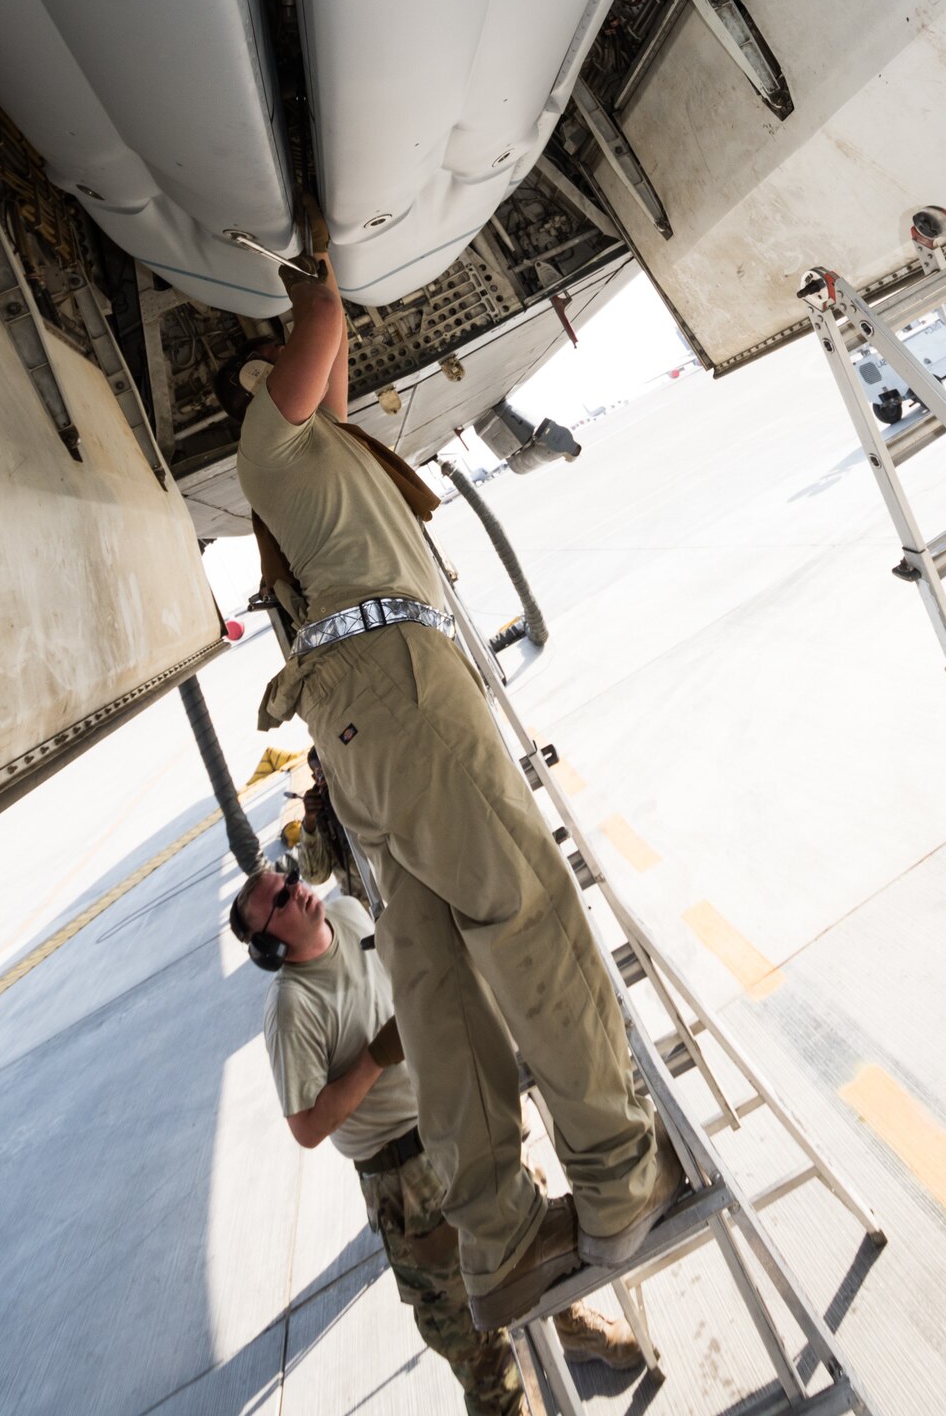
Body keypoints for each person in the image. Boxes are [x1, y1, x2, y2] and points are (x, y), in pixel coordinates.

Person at [215, 241, 684, 1330]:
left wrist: (317, 304)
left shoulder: (306, 453)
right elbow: (324, 321)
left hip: (364, 720)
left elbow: (327, 372)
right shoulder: (267, 445)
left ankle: (500, 1238)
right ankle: (617, 1175)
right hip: (402, 687)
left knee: (432, 983)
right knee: (525, 915)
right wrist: (303, 272)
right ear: (264, 376)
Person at [229, 865, 643, 1410]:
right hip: (405, 1176)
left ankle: (571, 1322)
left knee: (533, 1234)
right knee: (467, 1326)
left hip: (453, 1112)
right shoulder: (290, 1010)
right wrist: (378, 1056)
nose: (297, 890)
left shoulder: (351, 916)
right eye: (280, 900)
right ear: (269, 948)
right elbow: (307, 1126)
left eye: (291, 878)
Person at [297, 746, 371, 907]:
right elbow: (315, 875)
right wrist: (310, 821)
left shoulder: (368, 786)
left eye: (330, 769)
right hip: (365, 902)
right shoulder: (322, 814)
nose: (328, 778)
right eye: (320, 774)